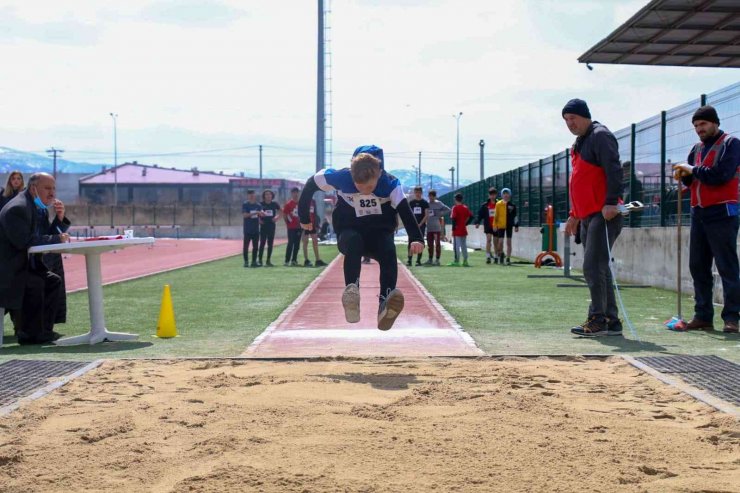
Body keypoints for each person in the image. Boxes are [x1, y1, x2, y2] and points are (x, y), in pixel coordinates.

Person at [298, 145, 424, 331]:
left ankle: (385, 303)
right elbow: (310, 184)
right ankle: (352, 294)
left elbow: (405, 210)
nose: (365, 191)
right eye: (359, 186)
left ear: (380, 173)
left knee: (389, 250)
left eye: (371, 186)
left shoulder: (390, 184)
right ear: (351, 173)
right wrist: (303, 217)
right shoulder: (339, 177)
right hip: (349, 232)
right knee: (354, 241)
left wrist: (416, 238)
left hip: (378, 234)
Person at [673, 105, 740, 334]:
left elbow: (721, 175)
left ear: (715, 123)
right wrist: (685, 177)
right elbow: (695, 182)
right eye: (696, 126)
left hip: (723, 212)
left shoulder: (731, 144)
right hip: (699, 212)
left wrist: (691, 169)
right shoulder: (696, 149)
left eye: (702, 124)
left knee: (726, 266)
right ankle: (703, 315)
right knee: (698, 266)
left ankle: (732, 318)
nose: (699, 129)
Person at [562, 98, 624, 338]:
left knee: (592, 266)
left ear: (585, 115)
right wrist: (574, 215)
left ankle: (598, 319)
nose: (570, 123)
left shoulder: (600, 136)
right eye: (566, 120)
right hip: (587, 215)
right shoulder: (579, 143)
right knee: (600, 267)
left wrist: (611, 201)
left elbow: (614, 169)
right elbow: (580, 182)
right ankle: (611, 320)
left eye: (573, 118)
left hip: (604, 213)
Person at [0, 172, 70, 345]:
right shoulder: (18, 208)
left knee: (53, 281)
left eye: (54, 188)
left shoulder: (38, 209)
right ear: (33, 188)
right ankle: (28, 333)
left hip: (25, 266)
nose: (52, 193)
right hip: (9, 271)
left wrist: (59, 220)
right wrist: (55, 239)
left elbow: (44, 238)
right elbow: (24, 242)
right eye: (47, 188)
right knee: (36, 282)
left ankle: (43, 331)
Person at [424, 190, 450, 266]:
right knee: (429, 244)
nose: (431, 197)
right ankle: (430, 259)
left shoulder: (438, 203)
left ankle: (437, 260)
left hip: (436, 227)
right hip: (429, 227)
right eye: (429, 196)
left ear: (435, 196)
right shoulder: (427, 204)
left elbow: (448, 209)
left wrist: (440, 214)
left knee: (437, 244)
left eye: (432, 196)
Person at [301, 196, 327, 267]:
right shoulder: (302, 200)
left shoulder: (313, 201)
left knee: (315, 240)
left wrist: (316, 224)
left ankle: (317, 260)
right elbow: (300, 212)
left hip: (312, 224)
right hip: (305, 224)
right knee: (305, 242)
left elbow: (315, 213)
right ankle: (306, 260)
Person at [448, 193, 473, 267]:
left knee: (456, 246)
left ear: (455, 199)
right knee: (464, 246)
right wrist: (466, 224)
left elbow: (453, 218)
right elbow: (471, 216)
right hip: (463, 229)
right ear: (462, 199)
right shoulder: (465, 207)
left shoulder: (455, 208)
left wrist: (453, 228)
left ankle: (456, 261)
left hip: (457, 230)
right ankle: (465, 261)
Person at [407, 186, 429, 266]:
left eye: (419, 192)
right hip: (412, 226)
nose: (417, 194)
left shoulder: (424, 203)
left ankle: (418, 261)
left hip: (421, 226)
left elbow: (426, 215)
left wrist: (420, 224)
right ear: (414, 193)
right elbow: (409, 214)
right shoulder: (411, 203)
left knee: (420, 242)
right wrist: (412, 223)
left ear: (421, 193)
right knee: (410, 242)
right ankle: (409, 260)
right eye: (416, 192)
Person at [258, 189, 281, 267]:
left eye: (269, 194)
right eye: (266, 194)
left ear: (272, 196)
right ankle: (260, 260)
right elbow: (256, 212)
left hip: (271, 225)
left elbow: (282, 211)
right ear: (264, 196)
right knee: (262, 243)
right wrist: (259, 220)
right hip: (263, 225)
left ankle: (268, 260)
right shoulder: (260, 204)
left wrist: (277, 218)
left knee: (270, 243)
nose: (268, 196)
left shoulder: (274, 204)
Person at [475, 187, 497, 264]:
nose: (492, 196)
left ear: (496, 195)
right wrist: (477, 222)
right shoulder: (485, 205)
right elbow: (480, 214)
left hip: (496, 225)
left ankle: (496, 256)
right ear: (489, 195)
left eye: (494, 194)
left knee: (495, 241)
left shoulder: (499, 204)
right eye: (491, 194)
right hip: (488, 225)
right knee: (489, 240)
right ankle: (488, 256)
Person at [242, 190, 263, 268]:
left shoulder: (258, 205)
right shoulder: (245, 204)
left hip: (256, 229)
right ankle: (246, 261)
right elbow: (245, 215)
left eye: (252, 194)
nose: (251, 196)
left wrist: (261, 215)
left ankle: (254, 261)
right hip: (247, 229)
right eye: (249, 194)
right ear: (248, 196)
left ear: (255, 195)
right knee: (246, 246)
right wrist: (255, 213)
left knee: (255, 246)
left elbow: (260, 215)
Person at [282, 187, 303, 266]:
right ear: (291, 193)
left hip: (299, 227)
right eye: (294, 192)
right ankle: (287, 260)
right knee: (290, 243)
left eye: (297, 192)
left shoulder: (301, 203)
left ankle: (294, 260)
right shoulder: (288, 204)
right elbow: (284, 214)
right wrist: (287, 222)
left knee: (297, 244)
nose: (295, 194)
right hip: (291, 227)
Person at [501, 188, 519, 265]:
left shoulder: (512, 205)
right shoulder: (499, 204)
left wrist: (516, 225)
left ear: (510, 195)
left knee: (509, 242)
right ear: (502, 195)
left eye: (507, 193)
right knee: (500, 242)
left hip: (509, 225)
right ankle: (501, 255)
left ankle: (508, 258)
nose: (506, 195)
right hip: (501, 225)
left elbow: (515, 216)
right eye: (504, 193)